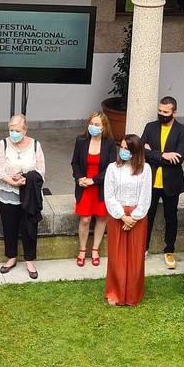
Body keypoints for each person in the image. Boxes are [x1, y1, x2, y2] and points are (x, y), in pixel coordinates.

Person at [0, 115, 46, 278]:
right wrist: (11, 181)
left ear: (25, 130)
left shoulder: (36, 145)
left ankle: (30, 260)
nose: (13, 133)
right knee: (9, 226)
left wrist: (25, 180)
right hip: (7, 192)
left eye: (17, 130)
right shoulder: (2, 144)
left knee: (29, 227)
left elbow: (41, 170)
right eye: (11, 130)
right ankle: (11, 257)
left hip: (29, 194)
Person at [140, 96, 184, 269]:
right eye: (160, 111)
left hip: (171, 183)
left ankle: (169, 250)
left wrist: (152, 153)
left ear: (174, 112)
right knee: (148, 216)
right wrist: (163, 155)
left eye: (165, 112)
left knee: (171, 218)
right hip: (151, 182)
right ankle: (143, 248)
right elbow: (141, 151)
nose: (162, 114)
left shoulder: (182, 131)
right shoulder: (150, 127)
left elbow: (179, 158)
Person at [103, 134, 152, 306]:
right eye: (121, 147)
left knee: (135, 256)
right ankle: (115, 292)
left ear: (136, 152)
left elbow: (146, 196)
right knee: (116, 255)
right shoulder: (112, 168)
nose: (122, 151)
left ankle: (132, 294)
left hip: (137, 216)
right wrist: (122, 216)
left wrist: (135, 217)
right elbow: (109, 196)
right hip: (118, 214)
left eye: (127, 149)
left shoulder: (145, 169)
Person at [72, 112, 117, 267]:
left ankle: (95, 249)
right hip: (84, 187)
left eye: (97, 125)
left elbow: (111, 167)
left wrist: (94, 180)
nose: (93, 127)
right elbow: (75, 163)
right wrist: (79, 178)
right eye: (91, 124)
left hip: (100, 187)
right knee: (85, 219)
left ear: (104, 127)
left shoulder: (109, 143)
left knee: (101, 218)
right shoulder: (81, 141)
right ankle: (82, 249)